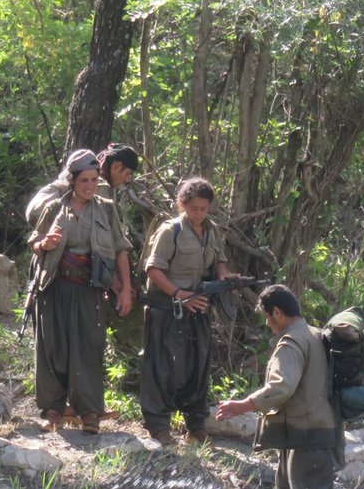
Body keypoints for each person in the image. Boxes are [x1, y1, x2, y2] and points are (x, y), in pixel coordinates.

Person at [28, 148, 133, 434]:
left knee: (88, 348)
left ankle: (89, 412)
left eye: (94, 180)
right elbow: (34, 241)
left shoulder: (107, 209)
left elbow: (121, 250)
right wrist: (44, 245)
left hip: (89, 289)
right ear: (72, 181)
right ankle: (53, 410)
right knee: (53, 348)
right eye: (84, 180)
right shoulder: (54, 207)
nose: (90, 186)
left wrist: (125, 289)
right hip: (54, 287)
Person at [216, 285, 341, 489]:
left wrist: (243, 405)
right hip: (308, 437)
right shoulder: (314, 334)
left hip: (306, 440)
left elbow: (282, 386)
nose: (267, 323)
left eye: (267, 316)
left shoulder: (291, 343)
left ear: (277, 312)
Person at [140, 178, 236, 446]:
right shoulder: (170, 231)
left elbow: (219, 259)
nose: (199, 213)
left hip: (199, 309)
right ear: (182, 204)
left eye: (204, 209)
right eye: (194, 208)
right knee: (163, 368)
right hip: (168, 311)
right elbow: (153, 270)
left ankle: (196, 426)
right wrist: (179, 295)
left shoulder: (211, 230)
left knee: (198, 368)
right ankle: (159, 426)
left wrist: (224, 278)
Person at [24, 143, 139, 229]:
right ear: (116, 167)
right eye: (128, 173)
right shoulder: (100, 187)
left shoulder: (82, 177)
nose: (127, 179)